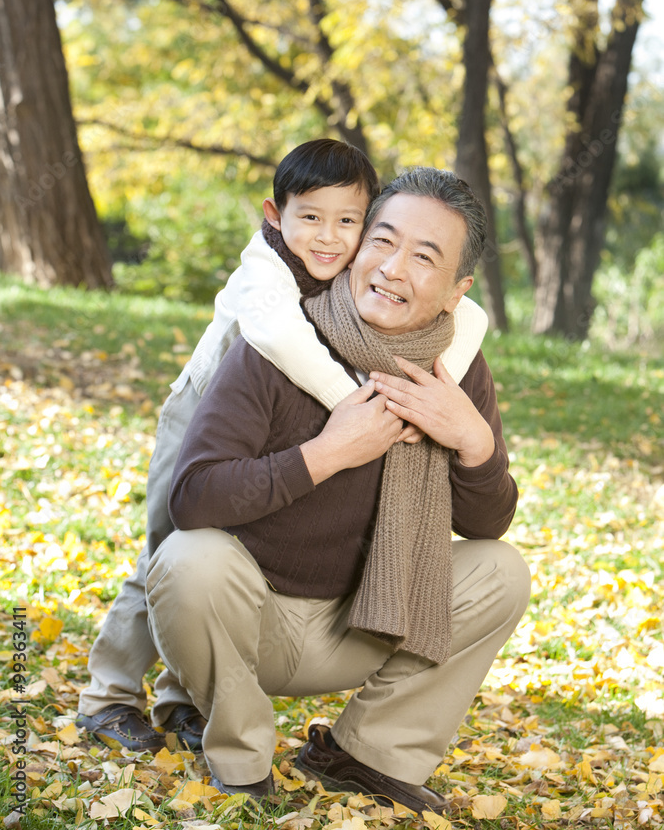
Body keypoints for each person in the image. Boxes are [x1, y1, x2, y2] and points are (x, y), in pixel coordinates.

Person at [76, 144, 488, 753]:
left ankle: (179, 700)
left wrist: (454, 412)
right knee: (169, 549)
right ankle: (107, 695)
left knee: (214, 557)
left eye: (348, 222)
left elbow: (470, 316)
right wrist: (356, 410)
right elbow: (284, 346)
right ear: (274, 215)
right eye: (310, 218)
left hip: (270, 415)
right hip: (200, 405)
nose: (328, 238)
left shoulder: (359, 274)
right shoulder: (265, 275)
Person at [145, 168, 531, 814]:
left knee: (501, 570)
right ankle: (238, 754)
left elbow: (487, 522)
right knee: (192, 559)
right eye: (381, 240)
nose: (391, 268)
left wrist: (474, 442)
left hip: (366, 621)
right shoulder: (278, 343)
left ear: (456, 293)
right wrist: (325, 455)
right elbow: (193, 498)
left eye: (424, 256)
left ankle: (364, 754)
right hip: (247, 618)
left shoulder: (453, 369)